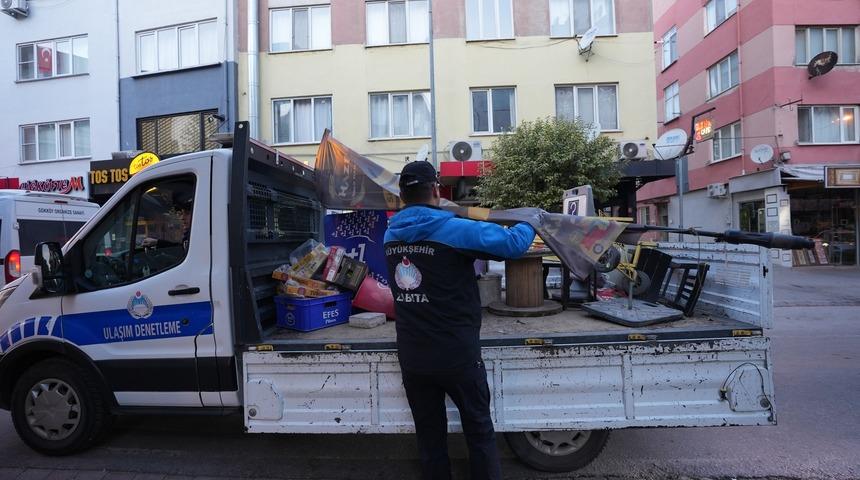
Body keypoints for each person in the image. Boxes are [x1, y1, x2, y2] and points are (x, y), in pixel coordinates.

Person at [384, 161, 536, 480]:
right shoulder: (453, 228)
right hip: (457, 355)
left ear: (401, 195)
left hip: (413, 357)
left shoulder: (390, 234)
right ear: (436, 190)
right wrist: (530, 219)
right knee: (479, 432)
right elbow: (512, 244)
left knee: (430, 439)